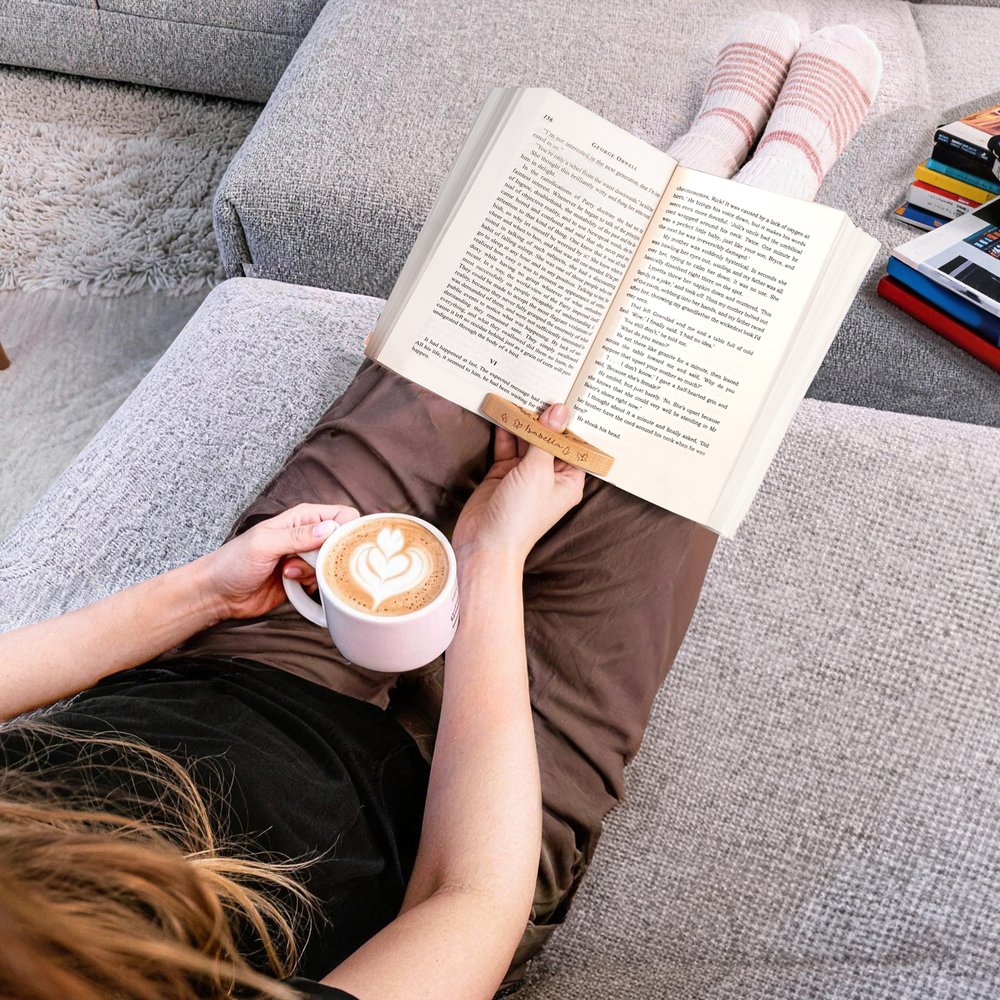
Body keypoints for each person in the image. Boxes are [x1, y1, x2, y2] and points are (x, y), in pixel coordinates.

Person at [0, 14, 881, 1000]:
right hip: (445, 838)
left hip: (233, 673)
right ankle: (783, 175)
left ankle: (706, 152)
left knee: (456, 353)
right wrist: (488, 557)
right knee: (659, 448)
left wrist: (207, 590)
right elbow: (468, 903)